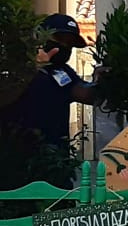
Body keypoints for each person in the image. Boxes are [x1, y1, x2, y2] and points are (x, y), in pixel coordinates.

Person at [0, 13, 96, 151]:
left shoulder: (63, 71)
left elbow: (85, 94)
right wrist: (34, 68)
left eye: (69, 43)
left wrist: (102, 80)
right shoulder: (15, 67)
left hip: (55, 158)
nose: (63, 46)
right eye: (59, 39)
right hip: (17, 157)